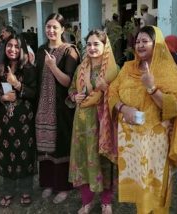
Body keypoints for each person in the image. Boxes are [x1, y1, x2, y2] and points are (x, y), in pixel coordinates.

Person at [108, 25, 177, 213]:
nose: (140, 45)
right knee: (139, 184)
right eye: (137, 42)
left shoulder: (168, 71)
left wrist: (152, 89)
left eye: (145, 41)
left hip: (156, 142)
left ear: (157, 43)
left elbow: (176, 107)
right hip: (132, 141)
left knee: (155, 187)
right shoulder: (128, 68)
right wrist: (122, 107)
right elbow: (112, 91)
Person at [68, 29, 118, 214]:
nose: (92, 47)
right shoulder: (81, 68)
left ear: (105, 46)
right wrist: (74, 96)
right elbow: (72, 88)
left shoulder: (113, 70)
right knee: (84, 159)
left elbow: (120, 96)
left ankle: (106, 201)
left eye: (96, 43)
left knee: (104, 160)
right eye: (88, 44)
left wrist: (106, 90)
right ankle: (87, 201)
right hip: (82, 122)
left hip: (103, 121)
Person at [35, 13, 80, 204]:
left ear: (63, 29)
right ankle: (48, 183)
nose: (51, 30)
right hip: (42, 106)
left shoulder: (70, 51)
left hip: (61, 109)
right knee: (44, 146)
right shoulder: (40, 50)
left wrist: (53, 66)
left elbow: (68, 81)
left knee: (61, 146)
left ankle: (64, 186)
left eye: (55, 27)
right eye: (48, 27)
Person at [0, 34, 37, 207]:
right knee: (6, 152)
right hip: (3, 120)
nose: (13, 49)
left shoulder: (29, 69)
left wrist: (17, 84)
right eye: (9, 45)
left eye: (17, 46)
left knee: (25, 152)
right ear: (4, 48)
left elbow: (34, 94)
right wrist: (1, 98)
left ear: (22, 49)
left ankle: (26, 190)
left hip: (24, 121)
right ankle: (8, 190)